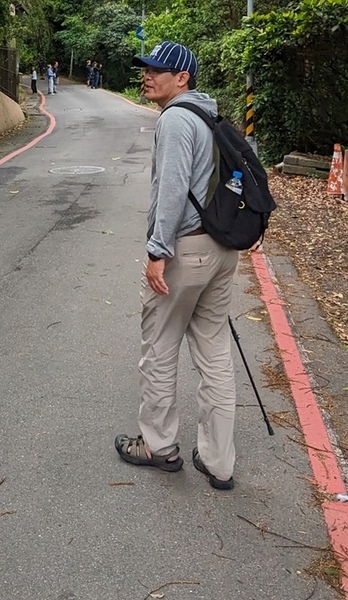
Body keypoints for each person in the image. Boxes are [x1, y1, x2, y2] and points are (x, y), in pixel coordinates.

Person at [114, 40, 239, 490]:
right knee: (215, 354)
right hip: (223, 249)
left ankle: (159, 446)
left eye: (157, 70)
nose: (147, 75)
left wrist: (156, 252)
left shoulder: (175, 120)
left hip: (185, 250)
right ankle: (218, 461)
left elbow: (171, 190)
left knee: (160, 348)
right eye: (145, 68)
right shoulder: (211, 116)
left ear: (182, 78)